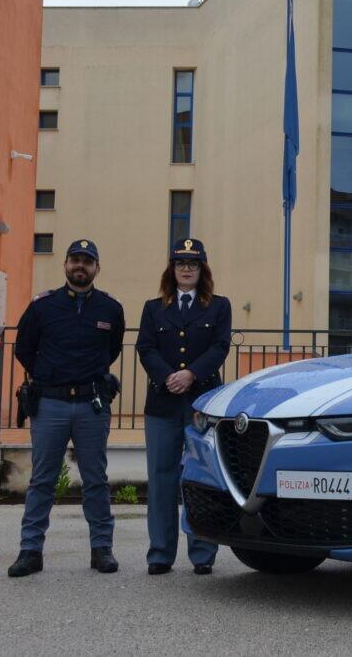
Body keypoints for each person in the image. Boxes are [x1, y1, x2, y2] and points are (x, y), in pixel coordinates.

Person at [7, 239, 126, 578]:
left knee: (95, 481)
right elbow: (25, 349)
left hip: (92, 405)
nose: (80, 266)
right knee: (42, 480)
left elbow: (112, 349)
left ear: (97, 268)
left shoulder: (110, 309)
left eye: (87, 261)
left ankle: (101, 549)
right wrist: (49, 375)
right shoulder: (43, 306)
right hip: (51, 404)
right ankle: (30, 551)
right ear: (65, 265)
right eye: (75, 260)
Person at [136, 238, 231, 576]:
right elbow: (145, 348)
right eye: (180, 264)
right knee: (161, 479)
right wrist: (168, 377)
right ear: (172, 269)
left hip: (201, 405)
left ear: (202, 269)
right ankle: (160, 553)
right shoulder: (153, 307)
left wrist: (191, 374)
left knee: (201, 478)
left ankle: (203, 553)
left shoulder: (218, 306)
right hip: (162, 405)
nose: (186, 269)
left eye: (193, 264)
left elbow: (220, 347)